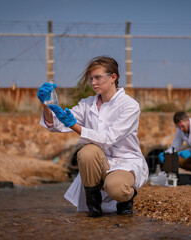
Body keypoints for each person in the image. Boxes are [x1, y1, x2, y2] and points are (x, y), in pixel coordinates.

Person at [37, 56, 149, 217]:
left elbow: (108, 138)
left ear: (113, 77)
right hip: (100, 163)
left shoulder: (129, 106)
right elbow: (56, 124)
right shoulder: (87, 104)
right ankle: (93, 202)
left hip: (126, 161)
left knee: (117, 188)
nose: (94, 82)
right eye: (91, 79)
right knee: (87, 151)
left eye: (98, 77)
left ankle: (126, 198)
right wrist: (46, 105)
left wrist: (74, 125)